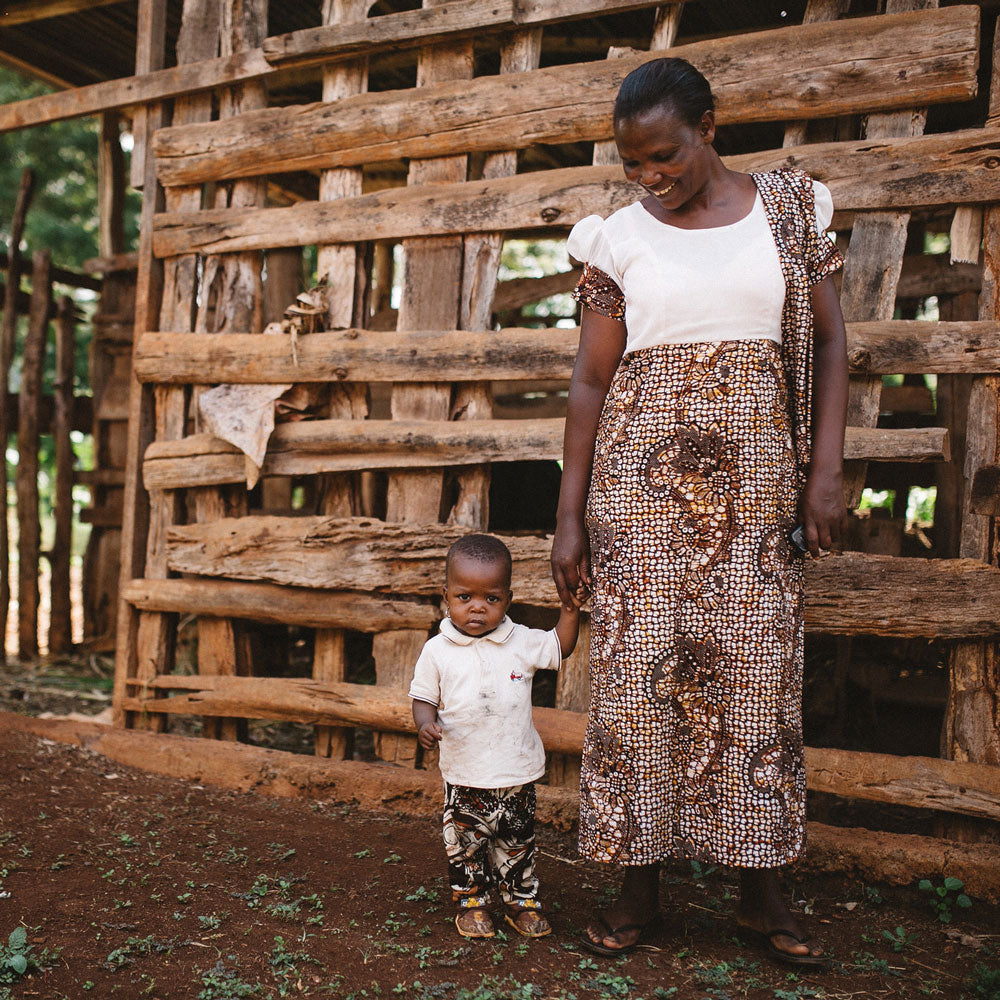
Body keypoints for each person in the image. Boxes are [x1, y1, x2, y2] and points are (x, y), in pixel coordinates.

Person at [550, 57, 848, 966]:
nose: (652, 178)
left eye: (666, 156)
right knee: (638, 688)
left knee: (759, 684)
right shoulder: (617, 238)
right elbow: (592, 379)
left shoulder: (791, 214)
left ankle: (764, 894)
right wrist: (568, 517)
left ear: (708, 126)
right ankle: (639, 890)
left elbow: (834, 344)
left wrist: (826, 467)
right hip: (638, 498)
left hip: (758, 493)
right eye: (634, 164)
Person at [410, 533, 582, 940]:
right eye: (465, 597)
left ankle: (521, 902)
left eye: (491, 599)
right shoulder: (437, 650)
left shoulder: (520, 640)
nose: (477, 608)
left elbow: (561, 646)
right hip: (466, 774)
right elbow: (422, 697)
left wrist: (570, 609)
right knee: (466, 845)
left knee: (517, 842)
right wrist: (424, 725)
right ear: (447, 595)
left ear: (508, 598)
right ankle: (472, 904)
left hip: (516, 773)